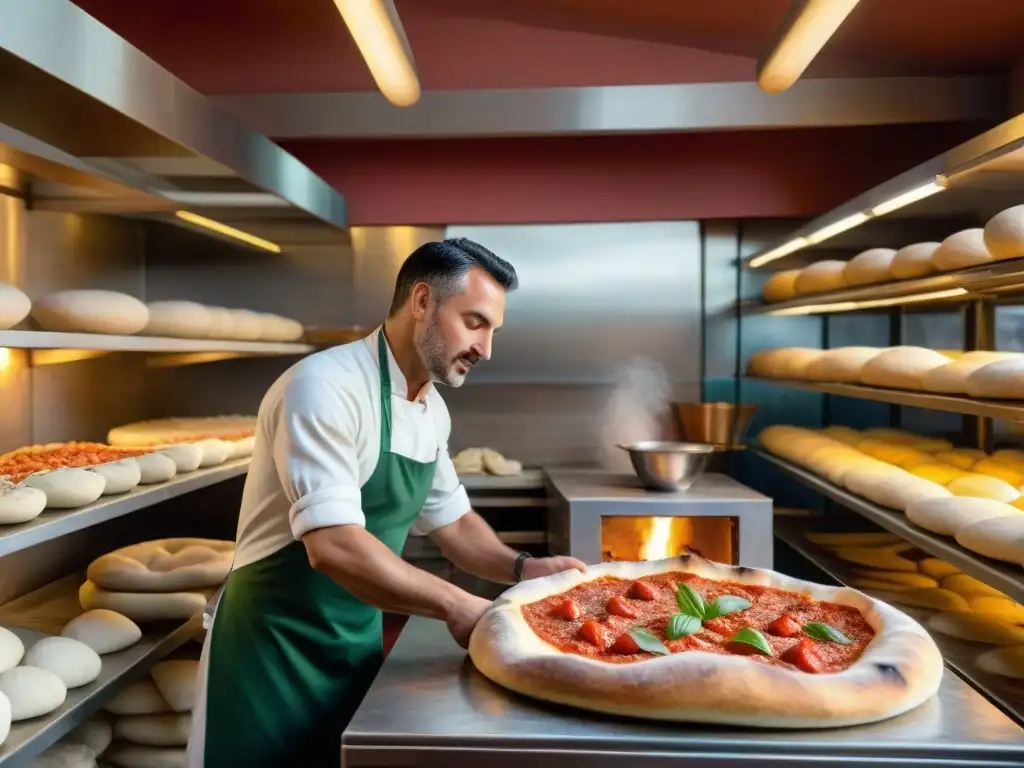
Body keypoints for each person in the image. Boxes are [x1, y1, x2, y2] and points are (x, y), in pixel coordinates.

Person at [187, 238, 586, 767]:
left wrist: (525, 568)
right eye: (474, 322)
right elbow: (334, 547)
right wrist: (458, 604)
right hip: (270, 654)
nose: (486, 348)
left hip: (352, 646)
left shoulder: (431, 410)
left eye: (493, 330)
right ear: (422, 301)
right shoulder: (323, 387)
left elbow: (455, 523)